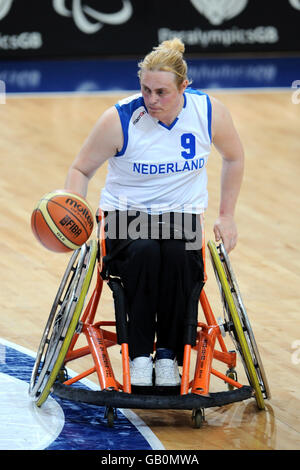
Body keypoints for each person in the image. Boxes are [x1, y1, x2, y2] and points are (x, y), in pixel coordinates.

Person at [64, 38, 244, 387]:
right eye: (146, 89)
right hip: (125, 219)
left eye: (162, 92)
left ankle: (168, 356)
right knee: (145, 251)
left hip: (181, 218)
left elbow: (234, 157)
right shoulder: (119, 118)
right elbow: (80, 169)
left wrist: (227, 215)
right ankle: (140, 354)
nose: (151, 99)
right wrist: (76, 213)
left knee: (178, 256)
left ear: (184, 88)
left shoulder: (208, 113)